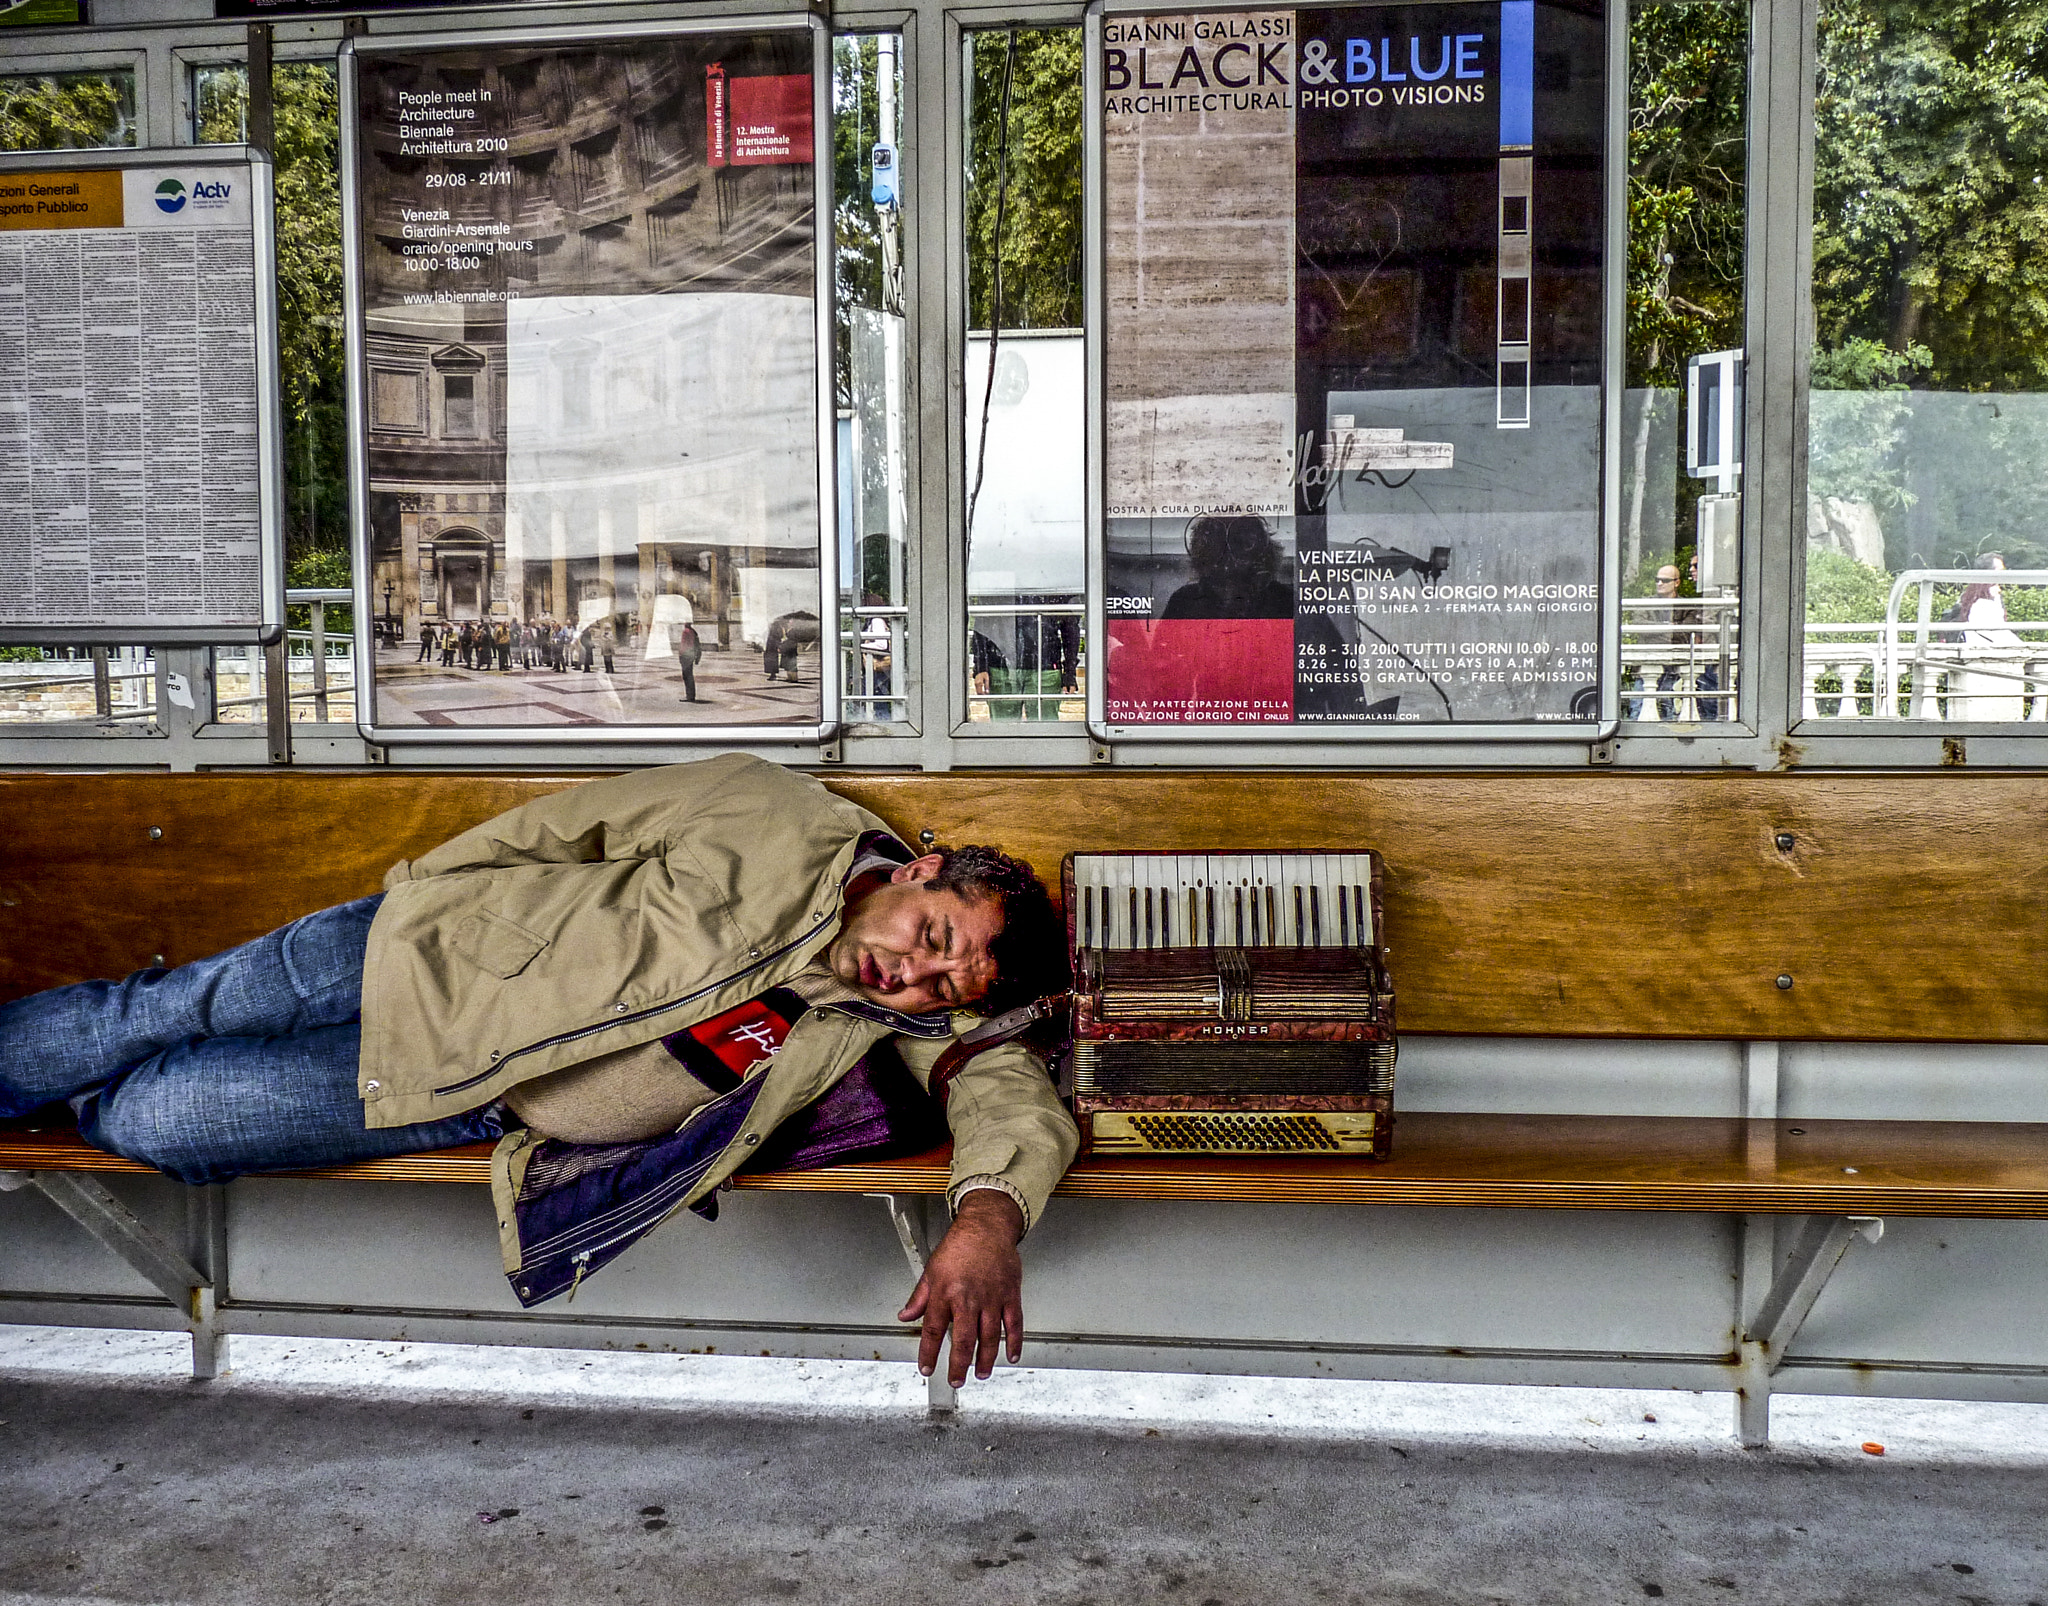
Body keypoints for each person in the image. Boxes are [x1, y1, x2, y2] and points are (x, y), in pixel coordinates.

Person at [0, 756, 1077, 1386]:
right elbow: (571, 828)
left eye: (945, 987)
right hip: (422, 955)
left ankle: (69, 1087)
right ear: (922, 870)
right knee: (156, 1008)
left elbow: (1007, 1093)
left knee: (163, 1118)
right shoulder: (777, 813)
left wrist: (985, 1220)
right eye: (933, 935)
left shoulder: (880, 1016)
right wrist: (429, 898)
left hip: (470, 1100)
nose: (915, 974)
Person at [676, 618, 703, 702]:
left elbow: (684, 645)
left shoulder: (686, 632)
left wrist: (680, 654)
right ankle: (691, 695)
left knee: (686, 676)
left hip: (685, 655)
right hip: (691, 655)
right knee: (689, 675)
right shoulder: (693, 631)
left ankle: (689, 696)